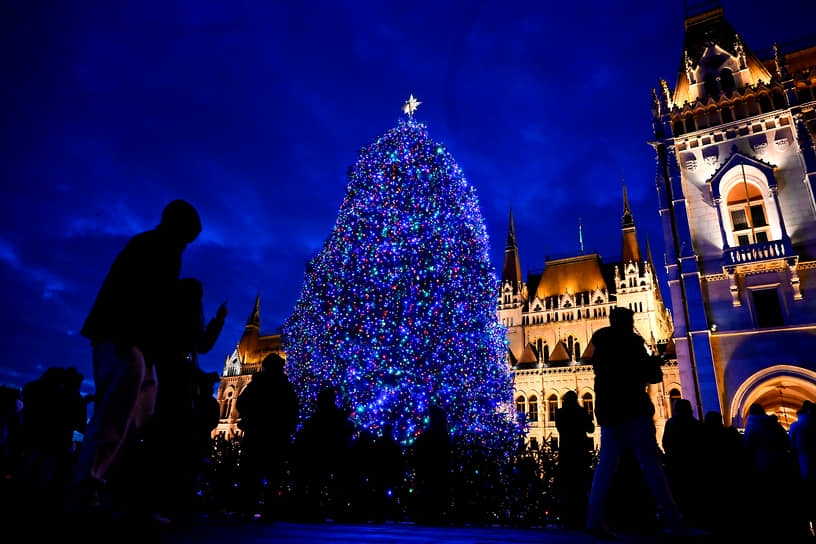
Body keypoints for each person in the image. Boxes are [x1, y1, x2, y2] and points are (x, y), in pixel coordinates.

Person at [67, 200, 201, 519]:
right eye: (187, 236)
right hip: (123, 339)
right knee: (115, 414)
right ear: (177, 226)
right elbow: (134, 295)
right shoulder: (152, 246)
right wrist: (127, 339)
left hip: (138, 344)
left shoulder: (166, 249)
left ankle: (115, 492)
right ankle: (85, 490)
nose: (187, 243)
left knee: (139, 416)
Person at [585, 307, 703, 540]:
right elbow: (653, 376)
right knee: (651, 464)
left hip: (608, 413)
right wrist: (652, 362)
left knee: (606, 465)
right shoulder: (631, 342)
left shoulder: (600, 345)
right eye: (631, 321)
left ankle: (594, 519)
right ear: (626, 323)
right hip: (632, 410)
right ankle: (675, 521)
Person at [236, 353, 299, 521]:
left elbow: (241, 403)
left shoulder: (256, 384)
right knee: (273, 476)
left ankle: (248, 509)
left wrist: (250, 418)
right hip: (276, 437)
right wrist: (287, 430)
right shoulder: (285, 386)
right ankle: (268, 511)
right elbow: (294, 411)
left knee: (252, 474)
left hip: (256, 435)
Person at [555, 390, 595, 530]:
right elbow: (591, 429)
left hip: (566, 453)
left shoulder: (559, 413)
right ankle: (581, 518)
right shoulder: (582, 412)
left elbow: (560, 429)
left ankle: (567, 520)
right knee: (580, 486)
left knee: (567, 487)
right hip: (580, 453)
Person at [412, 405, 452, 526]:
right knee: (434, 491)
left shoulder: (432, 434)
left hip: (431, 468)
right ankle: (435, 515)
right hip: (437, 468)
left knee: (430, 491)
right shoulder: (442, 433)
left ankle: (430, 515)